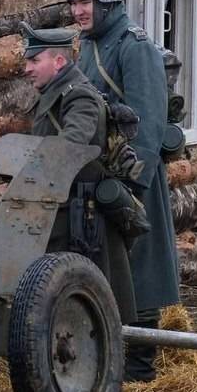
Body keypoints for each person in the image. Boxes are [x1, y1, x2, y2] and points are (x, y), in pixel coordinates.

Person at [61, 0, 181, 382]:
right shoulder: (88, 46)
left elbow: (148, 120)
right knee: (114, 269)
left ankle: (141, 367)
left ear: (105, 3)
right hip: (103, 177)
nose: (78, 11)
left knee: (141, 271)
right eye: (74, 4)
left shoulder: (134, 46)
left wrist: (133, 183)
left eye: (85, 3)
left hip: (133, 178)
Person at [22, 23, 137, 325]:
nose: (27, 69)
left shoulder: (79, 97)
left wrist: (26, 167)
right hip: (62, 208)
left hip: (83, 216)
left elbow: (71, 145)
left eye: (34, 61)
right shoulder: (55, 93)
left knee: (91, 302)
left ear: (58, 62)